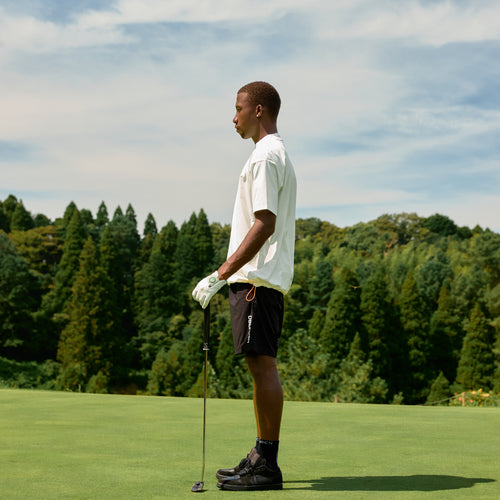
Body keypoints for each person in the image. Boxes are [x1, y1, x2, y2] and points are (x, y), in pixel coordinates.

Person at [192, 81, 296, 491]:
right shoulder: (269, 154)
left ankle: (266, 464)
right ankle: (260, 455)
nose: (232, 117)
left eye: (238, 109)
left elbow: (264, 223)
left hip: (256, 278)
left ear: (258, 110)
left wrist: (221, 273)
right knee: (259, 364)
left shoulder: (266, 156)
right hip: (258, 279)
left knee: (261, 364)